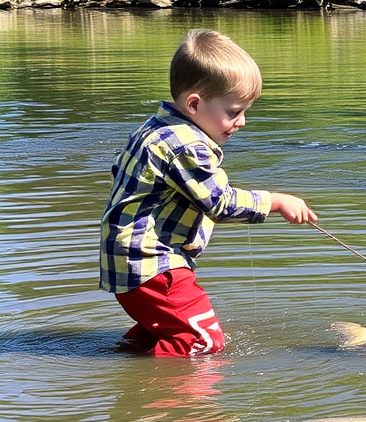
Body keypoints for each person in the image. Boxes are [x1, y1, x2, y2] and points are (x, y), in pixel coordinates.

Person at [100, 29, 317, 356]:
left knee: (164, 331)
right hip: (153, 265)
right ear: (195, 104)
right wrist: (275, 201)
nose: (241, 122)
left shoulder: (154, 128)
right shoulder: (184, 145)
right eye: (233, 111)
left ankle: (132, 367)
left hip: (128, 263)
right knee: (205, 341)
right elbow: (220, 202)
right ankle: (172, 400)